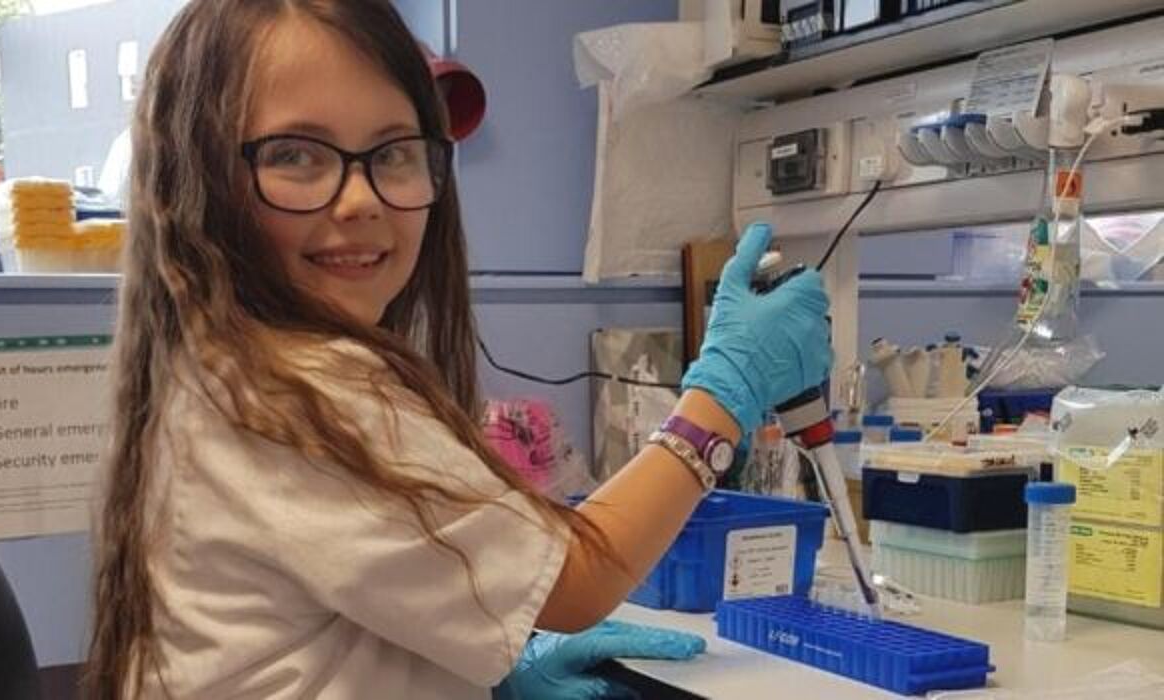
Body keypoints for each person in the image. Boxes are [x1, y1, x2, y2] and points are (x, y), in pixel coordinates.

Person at [85, 1, 831, 698]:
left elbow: (347, 608)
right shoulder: (295, 394)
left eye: (393, 152)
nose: (360, 199)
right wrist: (723, 391)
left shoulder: (208, 370)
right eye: (296, 155)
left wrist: (492, 675)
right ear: (203, 179)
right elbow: (579, 579)